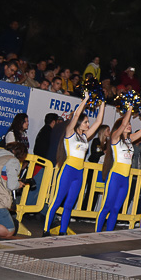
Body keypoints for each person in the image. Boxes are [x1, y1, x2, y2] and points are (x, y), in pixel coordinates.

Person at [43, 94, 105, 236]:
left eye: (88, 122)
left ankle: (63, 231)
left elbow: (99, 121)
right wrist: (85, 99)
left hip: (79, 173)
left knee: (69, 204)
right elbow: (76, 115)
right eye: (86, 122)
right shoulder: (70, 133)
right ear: (79, 123)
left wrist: (102, 103)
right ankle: (46, 230)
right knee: (57, 201)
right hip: (68, 170)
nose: (88, 124)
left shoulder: (85, 137)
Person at [96, 107, 141, 232]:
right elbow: (124, 123)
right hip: (115, 177)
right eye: (127, 124)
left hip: (125, 179)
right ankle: (97, 233)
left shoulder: (130, 140)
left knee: (116, 209)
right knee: (106, 207)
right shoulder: (115, 138)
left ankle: (109, 233)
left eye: (130, 124)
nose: (129, 125)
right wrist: (130, 108)